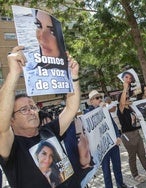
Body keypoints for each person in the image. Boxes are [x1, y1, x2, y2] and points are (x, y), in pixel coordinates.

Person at [0, 45, 81, 187]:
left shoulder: (48, 130)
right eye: (24, 109)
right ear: (11, 119)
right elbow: (2, 126)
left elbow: (71, 108)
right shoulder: (12, 147)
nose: (31, 111)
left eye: (32, 107)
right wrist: (13, 73)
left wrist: (73, 76)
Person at [84, 90, 130, 188]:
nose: (100, 99)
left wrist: (118, 136)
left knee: (117, 166)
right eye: (97, 98)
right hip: (102, 147)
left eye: (100, 97)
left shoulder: (105, 110)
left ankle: (120, 184)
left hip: (112, 142)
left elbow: (112, 124)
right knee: (106, 170)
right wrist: (99, 109)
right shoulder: (88, 113)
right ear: (91, 101)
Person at [117, 81, 146, 182]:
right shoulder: (121, 109)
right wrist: (125, 88)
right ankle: (135, 175)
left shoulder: (131, 108)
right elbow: (122, 102)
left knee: (142, 154)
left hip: (136, 133)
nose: (128, 99)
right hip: (128, 136)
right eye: (126, 98)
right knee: (132, 157)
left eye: (128, 97)